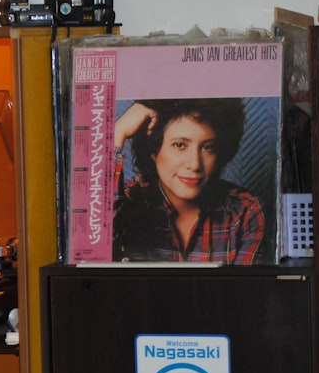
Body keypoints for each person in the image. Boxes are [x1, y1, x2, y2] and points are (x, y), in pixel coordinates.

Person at [112, 98, 265, 264]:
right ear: (153, 150)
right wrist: (117, 133)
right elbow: (90, 251)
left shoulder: (245, 212)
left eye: (208, 147)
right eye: (179, 145)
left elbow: (245, 288)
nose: (194, 164)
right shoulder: (127, 201)